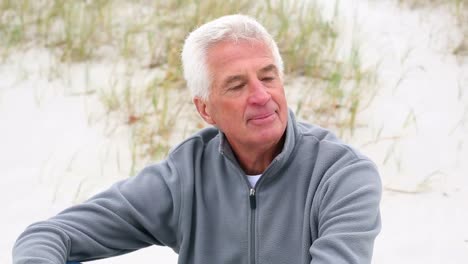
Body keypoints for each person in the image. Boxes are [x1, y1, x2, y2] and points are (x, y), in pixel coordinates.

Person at [13, 14, 381, 264]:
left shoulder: (343, 177)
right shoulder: (185, 177)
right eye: (237, 85)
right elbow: (48, 235)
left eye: (268, 78)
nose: (261, 96)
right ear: (206, 110)